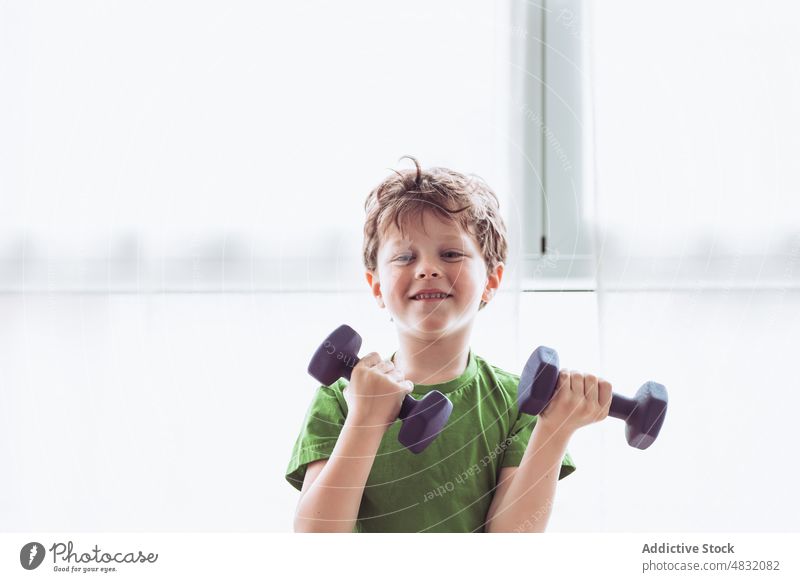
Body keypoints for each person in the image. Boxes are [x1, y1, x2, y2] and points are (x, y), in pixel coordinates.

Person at [285, 157, 612, 532]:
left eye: (451, 254)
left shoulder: (518, 404)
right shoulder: (340, 398)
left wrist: (555, 429)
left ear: (491, 280)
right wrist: (366, 418)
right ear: (377, 286)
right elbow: (316, 541)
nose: (427, 268)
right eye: (405, 257)